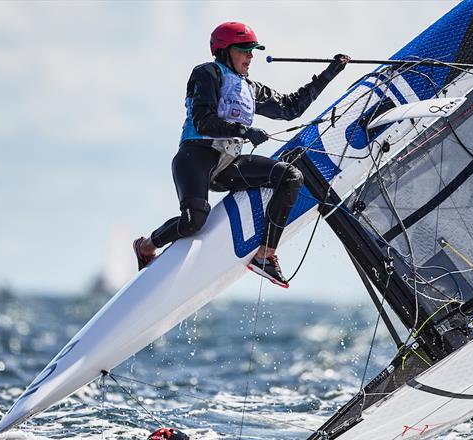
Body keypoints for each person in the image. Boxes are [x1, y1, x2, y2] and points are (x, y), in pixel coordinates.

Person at [133, 21, 349, 287]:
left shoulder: (251, 88)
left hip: (227, 165)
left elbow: (291, 108)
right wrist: (245, 131)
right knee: (194, 221)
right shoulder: (207, 73)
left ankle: (265, 255)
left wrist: (330, 73)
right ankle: (145, 246)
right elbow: (203, 121)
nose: (250, 56)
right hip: (196, 157)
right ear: (225, 50)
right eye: (244, 50)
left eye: (252, 50)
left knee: (290, 176)